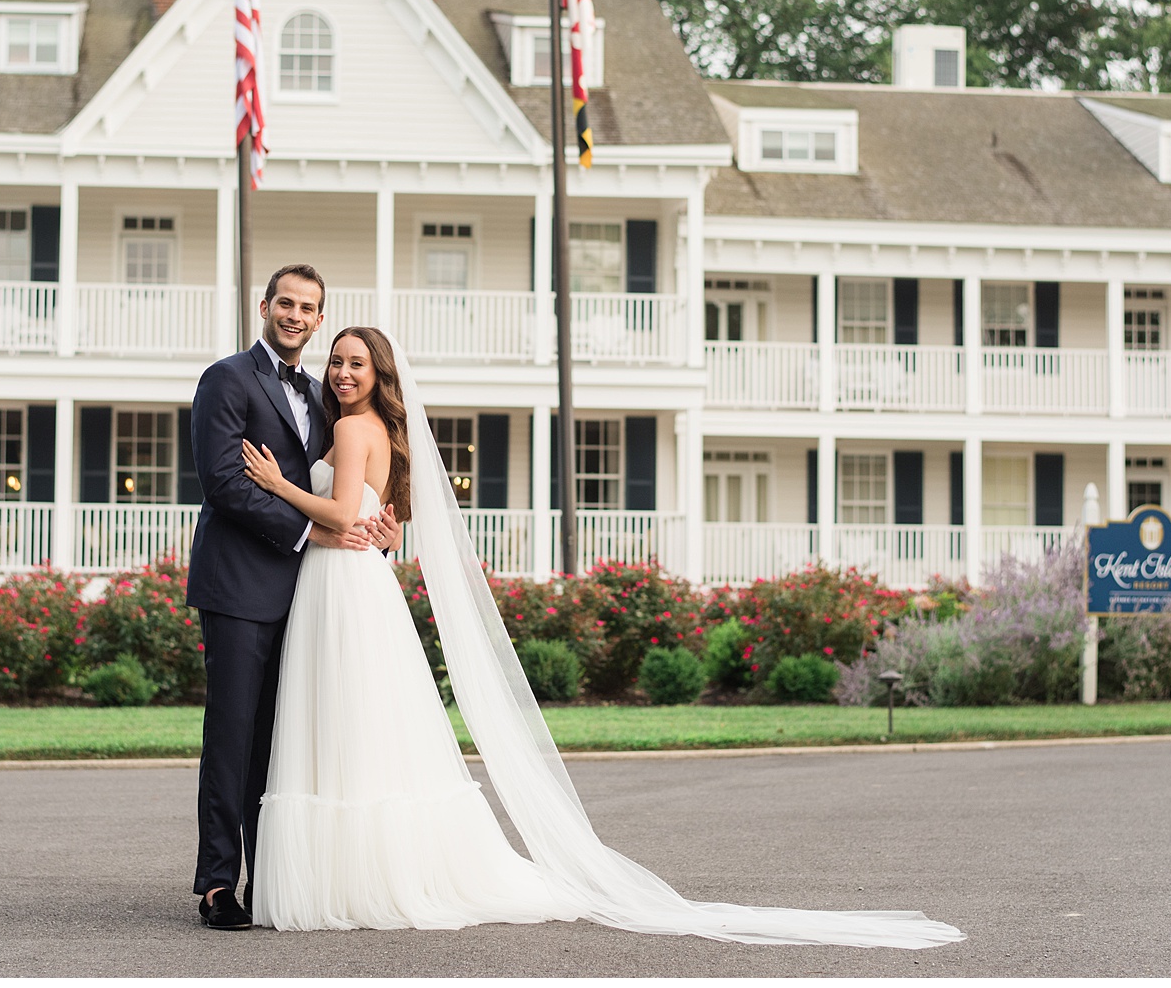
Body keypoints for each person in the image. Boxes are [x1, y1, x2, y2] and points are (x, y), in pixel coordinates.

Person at [235, 325, 968, 948]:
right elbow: (385, 519)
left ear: (380, 374)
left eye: (356, 362)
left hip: (344, 588)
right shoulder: (384, 431)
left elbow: (337, 517)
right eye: (337, 361)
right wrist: (369, 526)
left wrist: (275, 484)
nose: (342, 371)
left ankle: (356, 875)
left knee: (348, 726)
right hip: (363, 586)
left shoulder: (350, 428)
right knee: (371, 730)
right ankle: (375, 869)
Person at [186, 266, 401, 931]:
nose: (295, 315)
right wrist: (313, 528)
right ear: (265, 307)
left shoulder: (324, 395)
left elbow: (350, 490)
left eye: (309, 308)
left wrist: (374, 532)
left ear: (318, 317)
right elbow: (224, 483)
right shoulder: (226, 379)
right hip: (242, 588)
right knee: (233, 736)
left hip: (312, 597)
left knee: (288, 743)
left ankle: (276, 875)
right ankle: (219, 886)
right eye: (286, 303)